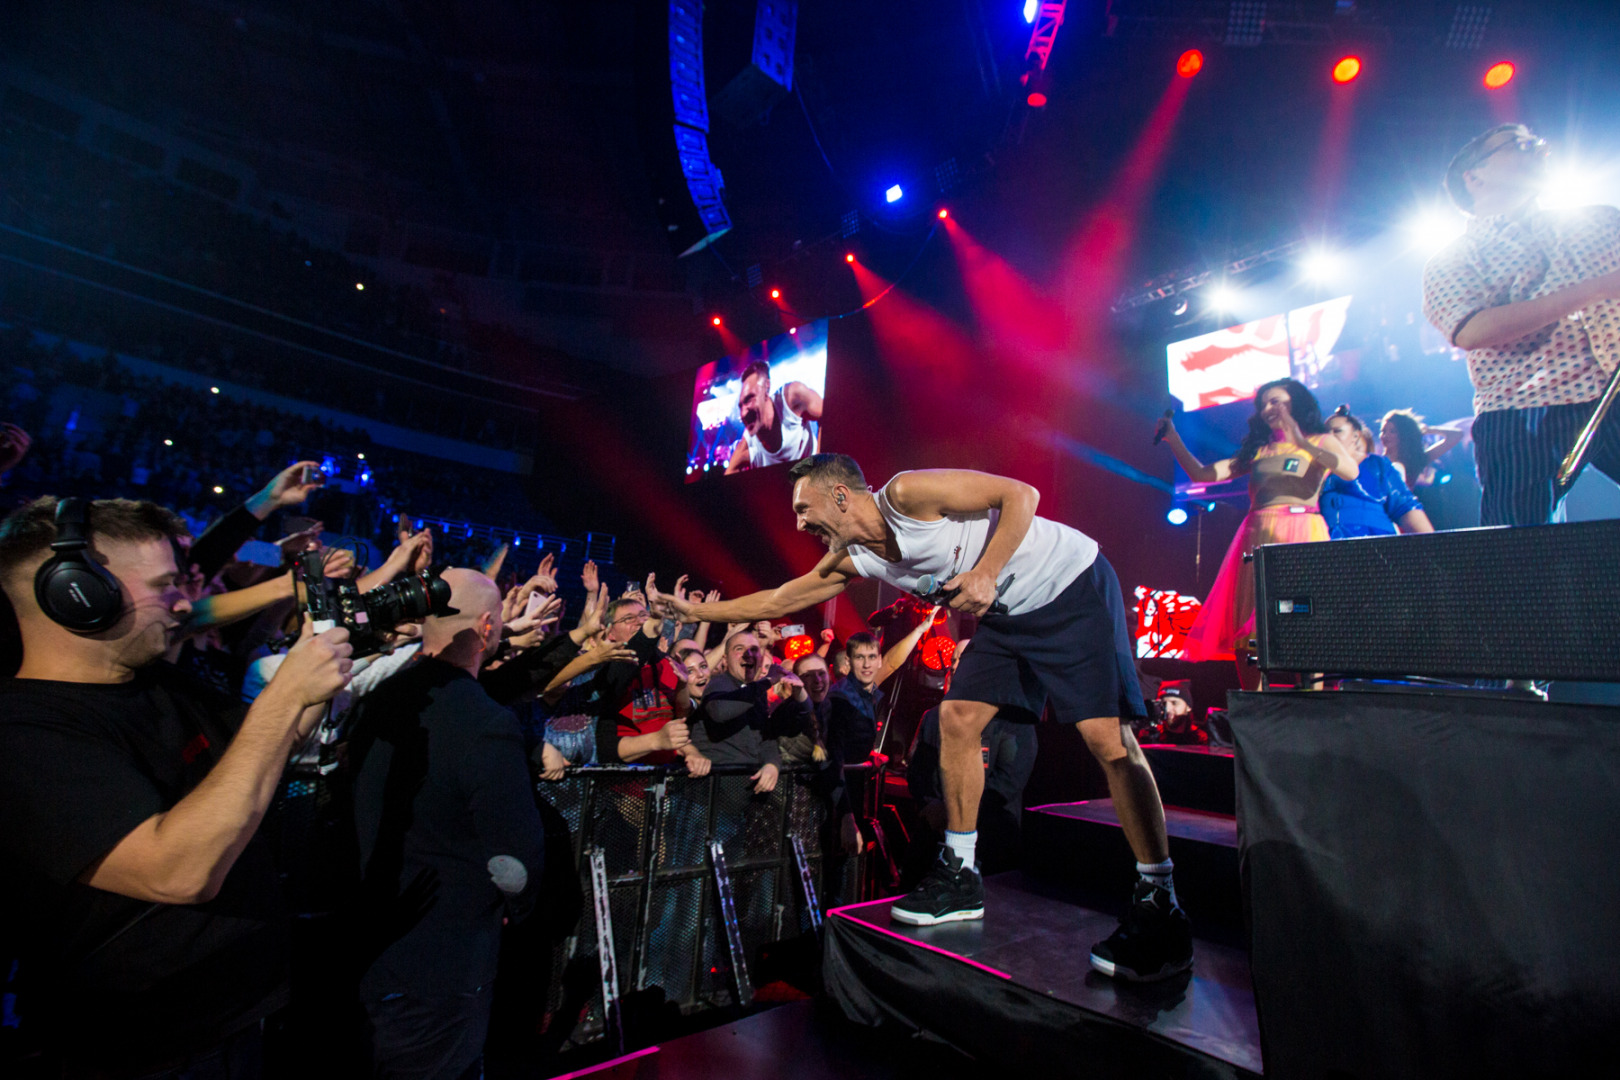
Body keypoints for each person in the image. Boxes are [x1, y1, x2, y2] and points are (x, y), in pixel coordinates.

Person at [653, 453, 1189, 982]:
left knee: (1107, 741)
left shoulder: (907, 495)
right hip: (1007, 618)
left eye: (803, 508)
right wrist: (696, 613)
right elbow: (779, 597)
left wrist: (985, 572)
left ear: (840, 496)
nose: (799, 523)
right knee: (955, 718)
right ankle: (961, 874)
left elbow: (1020, 495)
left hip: (1071, 587)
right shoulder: (855, 557)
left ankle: (1159, 898)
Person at [0, 496, 353, 1078]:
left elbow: (262, 752)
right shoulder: (24, 736)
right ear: (78, 591)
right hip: (139, 1050)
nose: (186, 602)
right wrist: (287, 693)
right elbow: (178, 871)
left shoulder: (159, 685)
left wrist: (316, 674)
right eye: (164, 586)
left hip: (232, 1021)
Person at [345, 568, 547, 1080]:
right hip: (444, 965)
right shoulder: (484, 722)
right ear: (487, 629)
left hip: (369, 942)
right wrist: (516, 910)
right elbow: (515, 862)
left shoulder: (379, 701)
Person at [1422, 122, 1620, 526]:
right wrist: (1594, 289)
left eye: (1539, 143)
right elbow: (1472, 330)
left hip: (1614, 387)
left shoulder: (1601, 220)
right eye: (1519, 144)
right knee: (1523, 556)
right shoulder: (1454, 257)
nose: (1538, 149)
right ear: (1474, 177)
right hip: (1521, 409)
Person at [1158, 378, 1357, 690]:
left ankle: (1313, 705)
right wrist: (1173, 439)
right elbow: (1203, 474)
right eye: (1264, 403)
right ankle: (1256, 706)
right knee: (1251, 623)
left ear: (1297, 404)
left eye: (1277, 401)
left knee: (1302, 617)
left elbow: (1350, 471)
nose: (1268, 408)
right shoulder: (1258, 450)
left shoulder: (1321, 440)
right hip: (1257, 535)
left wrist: (1300, 441)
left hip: (1302, 533)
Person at [826, 618, 934, 766]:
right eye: (860, 658)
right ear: (846, 665)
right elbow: (890, 663)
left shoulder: (854, 691)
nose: (868, 665)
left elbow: (889, 663)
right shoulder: (844, 693)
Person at [1321, 408, 1436, 538]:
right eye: (1325, 432)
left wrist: (1433, 547)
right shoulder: (1314, 467)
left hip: (1374, 543)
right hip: (1325, 543)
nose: (1329, 437)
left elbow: (1406, 507)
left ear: (1355, 436)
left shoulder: (1378, 465)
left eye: (1337, 431)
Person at [724, 359, 823, 474]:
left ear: (766, 387)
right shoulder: (746, 446)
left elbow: (829, 413)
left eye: (749, 399)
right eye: (741, 406)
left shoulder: (792, 398)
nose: (743, 413)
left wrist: (819, 460)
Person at [1379, 409, 1463, 489]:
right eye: (1383, 431)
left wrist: (1429, 430)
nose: (1385, 435)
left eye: (1392, 431)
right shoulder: (1375, 461)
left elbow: (1457, 435)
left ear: (1403, 435)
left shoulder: (1417, 460)